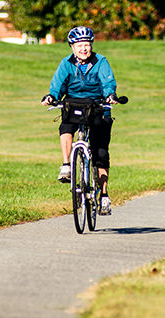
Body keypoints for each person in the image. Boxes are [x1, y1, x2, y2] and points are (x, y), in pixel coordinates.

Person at [41, 26, 118, 215]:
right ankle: (66, 165)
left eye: (87, 44)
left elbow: (107, 82)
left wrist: (110, 96)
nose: (84, 48)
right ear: (72, 47)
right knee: (66, 126)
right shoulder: (66, 63)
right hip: (74, 104)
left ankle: (104, 196)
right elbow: (57, 85)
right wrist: (51, 96)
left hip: (97, 106)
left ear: (91, 45)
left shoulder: (101, 62)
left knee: (100, 152)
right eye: (79, 45)